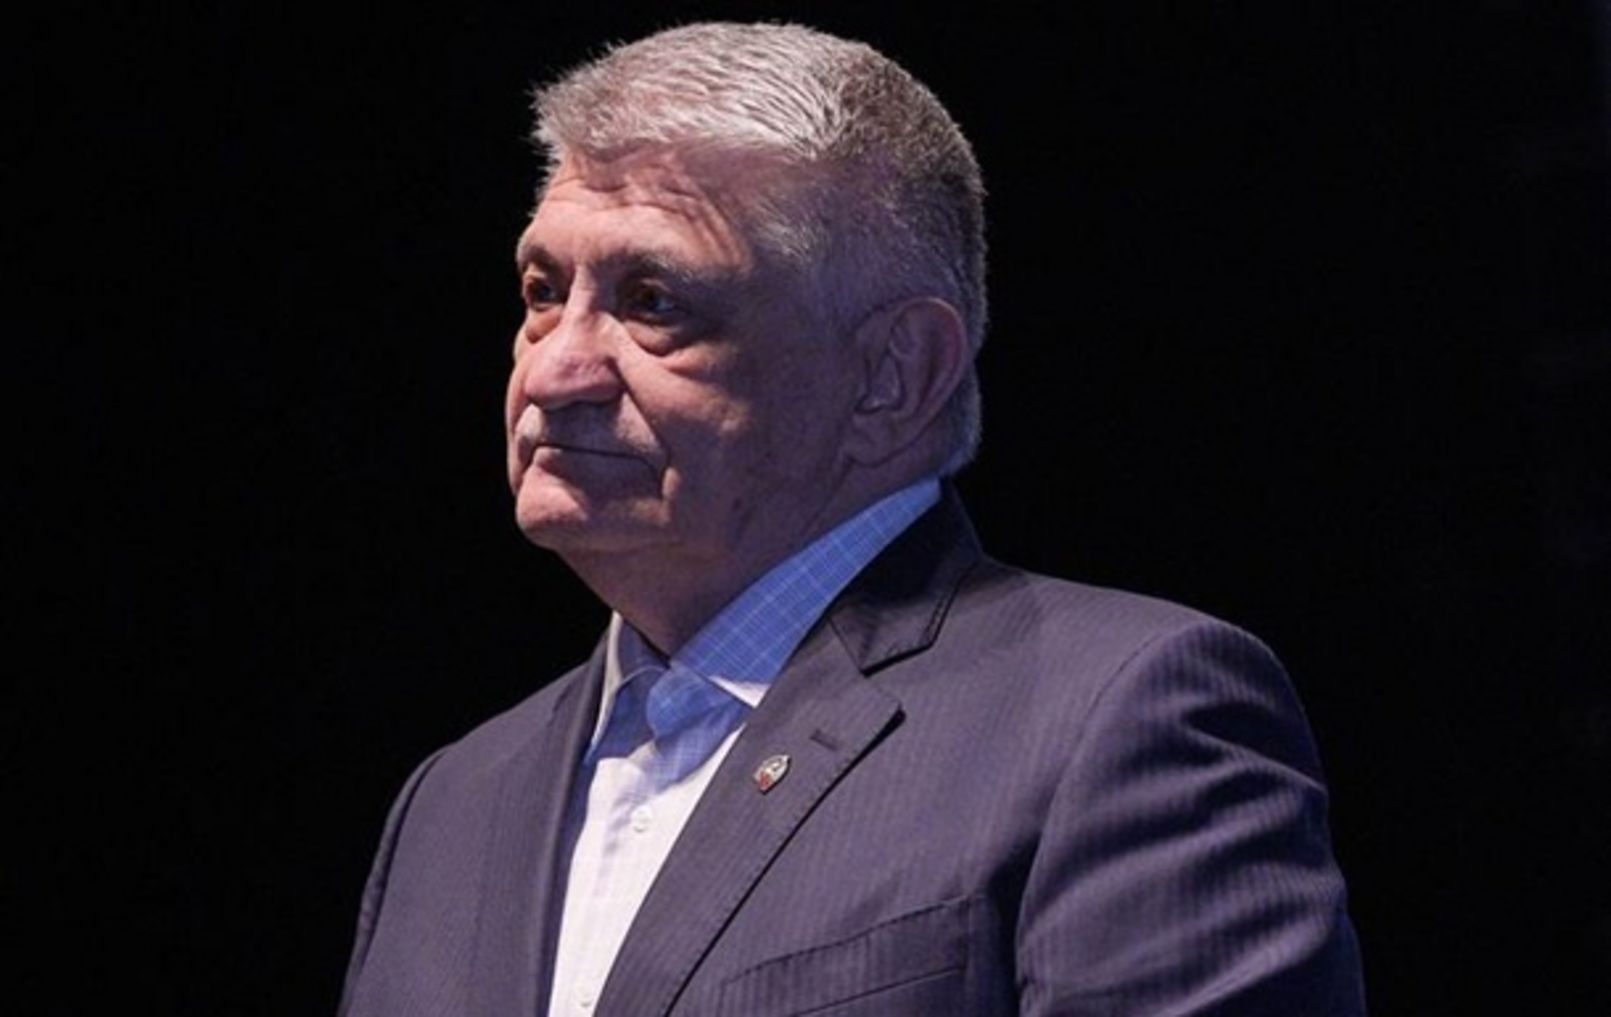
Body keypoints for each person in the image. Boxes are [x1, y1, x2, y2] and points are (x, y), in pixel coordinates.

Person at [338, 22, 1365, 1017]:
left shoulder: (1122, 717)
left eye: (654, 302)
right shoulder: (455, 801)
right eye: (542, 291)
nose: (554, 369)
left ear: (892, 375)